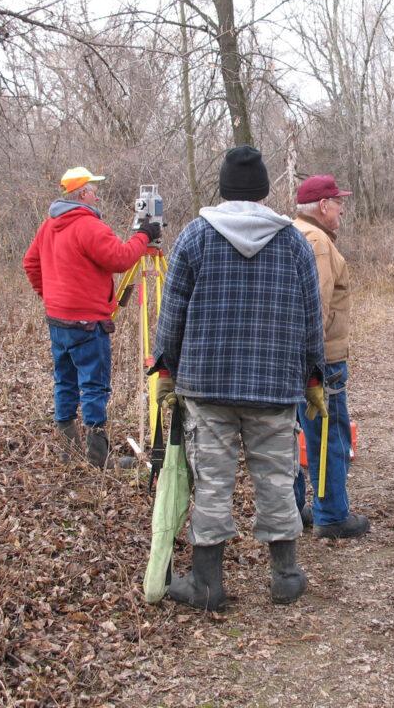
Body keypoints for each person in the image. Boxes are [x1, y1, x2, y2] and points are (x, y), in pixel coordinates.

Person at [152, 145, 325, 611]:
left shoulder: (194, 237)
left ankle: (207, 584)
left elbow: (173, 313)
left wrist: (166, 368)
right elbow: (313, 318)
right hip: (274, 385)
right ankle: (285, 577)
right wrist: (314, 377)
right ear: (265, 189)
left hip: (207, 384)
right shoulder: (293, 243)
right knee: (276, 478)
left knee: (211, 483)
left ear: (224, 187)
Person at [23, 166, 160, 468]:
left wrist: (50, 298)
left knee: (65, 380)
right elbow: (121, 258)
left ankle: (68, 450)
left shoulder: (50, 225)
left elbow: (30, 262)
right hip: (86, 321)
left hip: (58, 319)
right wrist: (144, 235)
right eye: (94, 190)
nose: (97, 195)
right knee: (94, 385)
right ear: (83, 193)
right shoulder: (88, 225)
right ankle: (98, 457)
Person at [292, 175, 370, 539]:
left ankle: (295, 510)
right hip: (320, 359)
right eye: (338, 203)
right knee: (329, 435)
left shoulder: (291, 232)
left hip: (296, 357)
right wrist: (314, 362)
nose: (342, 210)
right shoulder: (319, 243)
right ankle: (333, 514)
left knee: (292, 436)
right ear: (323, 206)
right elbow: (316, 308)